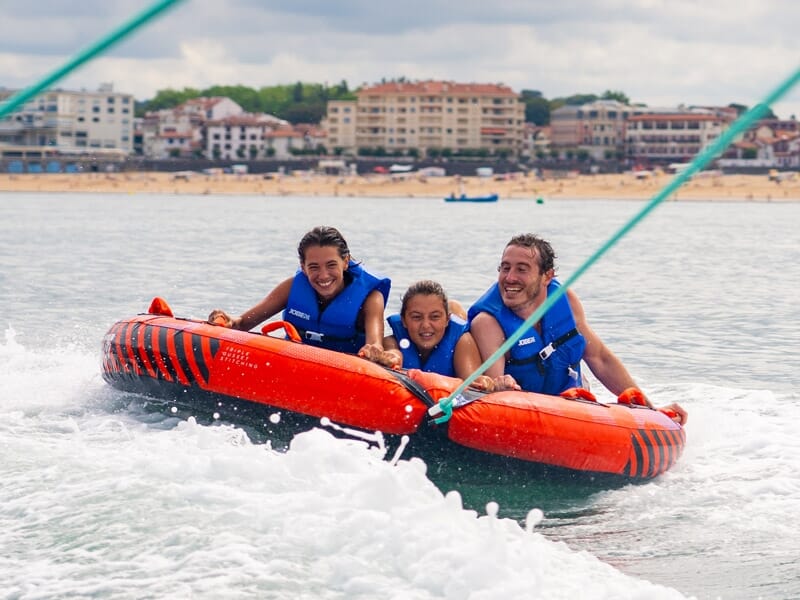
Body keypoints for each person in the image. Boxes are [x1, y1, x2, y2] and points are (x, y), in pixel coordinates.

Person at [468, 233, 688, 424]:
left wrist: (651, 410)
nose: (510, 278)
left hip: (574, 405)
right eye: (505, 268)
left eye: (521, 269)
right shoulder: (488, 322)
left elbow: (600, 359)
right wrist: (503, 385)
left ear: (547, 276)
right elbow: (495, 389)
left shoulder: (566, 300)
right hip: (527, 414)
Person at [208, 225, 390, 356]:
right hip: (295, 365)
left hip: (347, 371)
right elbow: (242, 324)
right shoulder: (291, 287)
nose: (324, 275)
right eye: (314, 267)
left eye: (331, 265)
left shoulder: (371, 298)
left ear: (345, 261)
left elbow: (374, 345)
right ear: (303, 267)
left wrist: (374, 351)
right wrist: (227, 320)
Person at [360, 280, 518, 393]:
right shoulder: (393, 341)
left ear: (447, 320)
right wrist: (386, 358)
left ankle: (456, 310)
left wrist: (489, 384)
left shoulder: (461, 342)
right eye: (416, 317)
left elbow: (473, 380)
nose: (426, 325)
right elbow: (395, 356)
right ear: (404, 321)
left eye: (435, 317)